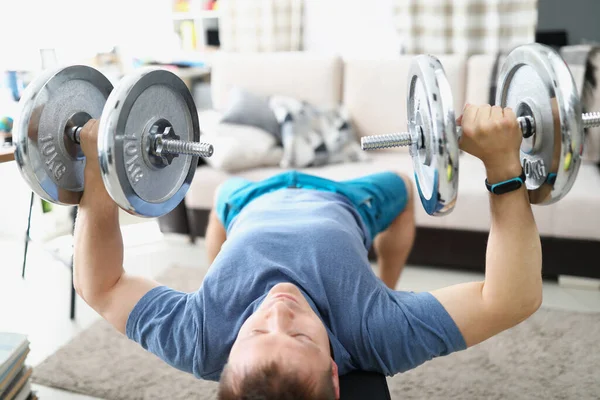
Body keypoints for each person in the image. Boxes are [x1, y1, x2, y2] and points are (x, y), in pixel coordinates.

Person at [73, 104, 542, 400]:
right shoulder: (374, 333)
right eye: (300, 339)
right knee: (401, 184)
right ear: (336, 376)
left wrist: (96, 174)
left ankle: (218, 272)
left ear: (225, 362)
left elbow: (101, 285)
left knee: (219, 201)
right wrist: (503, 164)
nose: (280, 311)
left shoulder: (200, 338)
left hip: (246, 200)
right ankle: (388, 284)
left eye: (254, 333)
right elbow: (511, 299)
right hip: (343, 199)